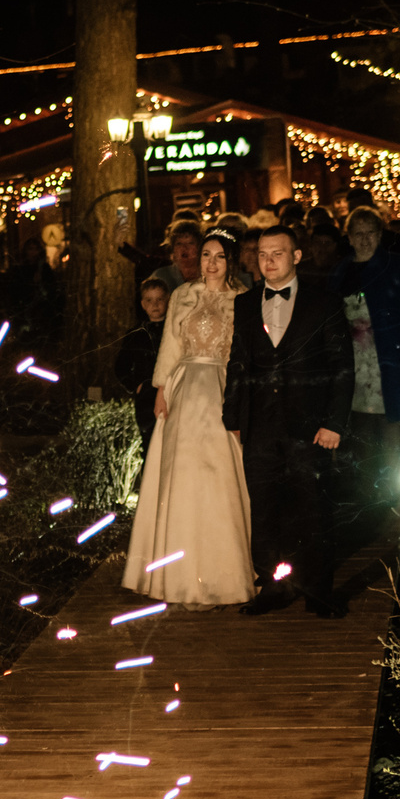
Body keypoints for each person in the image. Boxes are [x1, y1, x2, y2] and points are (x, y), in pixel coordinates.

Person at [224, 225, 354, 617]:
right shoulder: (246, 304)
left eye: (277, 253)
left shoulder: (324, 301)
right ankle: (273, 587)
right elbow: (238, 362)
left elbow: (341, 366)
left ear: (296, 256)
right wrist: (233, 416)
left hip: (310, 426)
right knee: (265, 510)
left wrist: (334, 423)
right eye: (262, 254)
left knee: (312, 508)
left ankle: (318, 591)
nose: (268, 261)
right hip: (260, 426)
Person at [120, 232, 255, 606]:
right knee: (180, 473)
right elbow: (171, 345)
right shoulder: (182, 295)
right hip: (184, 386)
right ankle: (176, 572)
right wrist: (161, 388)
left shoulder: (243, 298)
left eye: (219, 256)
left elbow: (245, 352)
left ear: (230, 261)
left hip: (222, 385)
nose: (211, 263)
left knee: (219, 473)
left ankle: (225, 571)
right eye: (206, 254)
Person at [337, 207, 400, 513]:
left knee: (391, 427)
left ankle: (393, 496)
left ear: (380, 234)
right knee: (360, 429)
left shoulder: (397, 266)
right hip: (355, 363)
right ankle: (367, 495)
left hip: (389, 358)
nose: (364, 239)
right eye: (357, 233)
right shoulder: (341, 271)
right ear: (349, 237)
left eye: (370, 232)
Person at [115, 278, 171, 449]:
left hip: (170, 391)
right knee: (149, 440)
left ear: (168, 300)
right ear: (143, 304)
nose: (155, 305)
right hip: (146, 395)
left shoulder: (173, 330)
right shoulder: (135, 334)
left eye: (159, 299)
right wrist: (135, 385)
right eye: (149, 300)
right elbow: (121, 366)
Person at [146, 223, 203, 295]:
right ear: (173, 249)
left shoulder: (208, 274)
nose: (184, 248)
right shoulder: (160, 276)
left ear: (199, 247)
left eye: (190, 243)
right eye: (179, 244)